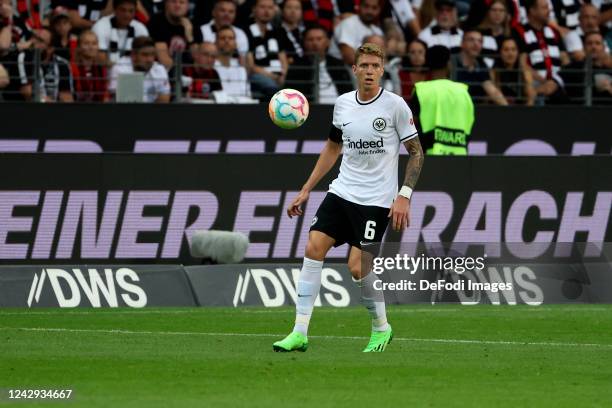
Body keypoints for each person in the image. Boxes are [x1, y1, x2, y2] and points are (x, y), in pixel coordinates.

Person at [272, 43, 424, 353]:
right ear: (354, 70)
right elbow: (332, 147)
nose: (369, 71)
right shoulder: (342, 104)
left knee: (358, 267)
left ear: (382, 71)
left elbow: (416, 152)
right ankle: (299, 331)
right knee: (314, 247)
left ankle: (381, 328)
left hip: (377, 200)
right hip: (342, 191)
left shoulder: (395, 106)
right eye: (364, 65)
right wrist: (306, 188)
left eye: (374, 66)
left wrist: (404, 195)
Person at [410, 45, 474, 154]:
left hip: (429, 158)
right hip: (460, 156)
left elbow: (412, 127)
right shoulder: (463, 91)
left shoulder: (420, 90)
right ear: (449, 64)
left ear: (427, 62)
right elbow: (469, 124)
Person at [512, 0, 569, 104]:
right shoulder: (519, 31)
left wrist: (555, 81)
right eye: (544, 8)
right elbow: (522, 63)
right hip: (534, 83)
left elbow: (565, 60)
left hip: (557, 83)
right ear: (532, 11)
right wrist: (545, 83)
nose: (549, 11)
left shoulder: (554, 32)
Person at [3, 26, 74, 101]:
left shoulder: (62, 64)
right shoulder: (24, 57)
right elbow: (27, 92)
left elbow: (66, 96)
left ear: (50, 49)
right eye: (34, 37)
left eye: (40, 40)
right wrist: (48, 104)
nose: (33, 42)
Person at [285, 25, 352, 102]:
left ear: (327, 42)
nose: (315, 43)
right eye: (310, 40)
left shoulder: (338, 64)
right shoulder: (297, 67)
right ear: (304, 43)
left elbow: (348, 91)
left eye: (319, 39)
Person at [452, 29, 509, 104]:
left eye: (480, 41)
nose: (476, 44)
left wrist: (509, 109)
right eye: (471, 40)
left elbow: (493, 91)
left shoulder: (481, 64)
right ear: (462, 43)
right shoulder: (451, 63)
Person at [245, 0, 288, 98]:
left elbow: (283, 58)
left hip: (278, 76)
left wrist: (283, 75)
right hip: (257, 75)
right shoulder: (246, 31)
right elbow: (250, 65)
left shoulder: (278, 31)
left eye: (270, 8)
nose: (266, 11)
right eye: (262, 7)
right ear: (254, 9)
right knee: (270, 86)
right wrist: (271, 76)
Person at [108, 35, 170, 102]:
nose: (149, 59)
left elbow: (164, 101)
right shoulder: (120, 68)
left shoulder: (159, 69)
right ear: (133, 55)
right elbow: (119, 100)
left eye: (152, 54)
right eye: (145, 55)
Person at [147, 0, 202, 70]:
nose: (177, 6)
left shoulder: (193, 25)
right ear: (166, 3)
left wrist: (190, 37)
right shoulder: (156, 23)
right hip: (164, 75)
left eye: (182, 2)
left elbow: (199, 60)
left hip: (189, 75)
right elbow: (164, 61)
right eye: (173, 1)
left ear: (187, 6)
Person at [92, 0, 149, 65]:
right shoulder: (101, 26)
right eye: (123, 10)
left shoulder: (140, 28)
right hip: (108, 72)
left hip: (134, 72)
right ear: (115, 10)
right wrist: (118, 70)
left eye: (131, 11)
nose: (127, 15)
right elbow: (100, 57)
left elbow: (146, 56)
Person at [562, 31, 612, 104]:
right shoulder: (572, 69)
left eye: (597, 43)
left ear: (603, 48)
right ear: (584, 47)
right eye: (589, 43)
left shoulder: (609, 71)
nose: (593, 47)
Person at [328, 0, 384, 65]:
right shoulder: (348, 24)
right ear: (358, 6)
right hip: (340, 70)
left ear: (379, 10)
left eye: (374, 8)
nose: (369, 11)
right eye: (366, 6)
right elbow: (349, 58)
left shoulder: (377, 31)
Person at [491, 36, 536, 104]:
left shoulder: (525, 71)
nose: (510, 53)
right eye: (506, 50)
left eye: (513, 49)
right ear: (500, 52)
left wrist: (527, 112)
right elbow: (496, 95)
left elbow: (531, 96)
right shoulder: (493, 72)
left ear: (518, 52)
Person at [214, 25, 251, 97]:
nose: (227, 41)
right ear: (216, 42)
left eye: (231, 38)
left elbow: (247, 95)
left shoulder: (241, 68)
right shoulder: (211, 66)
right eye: (222, 38)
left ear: (235, 44)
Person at [71, 29, 108, 101]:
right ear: (79, 46)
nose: (91, 47)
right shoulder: (72, 68)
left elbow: (105, 96)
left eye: (94, 43)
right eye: (86, 43)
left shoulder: (101, 69)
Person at [476, 0, 512, 67]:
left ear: (506, 14)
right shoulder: (478, 33)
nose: (497, 13)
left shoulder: (510, 35)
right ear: (488, 13)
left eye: (501, 10)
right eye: (494, 10)